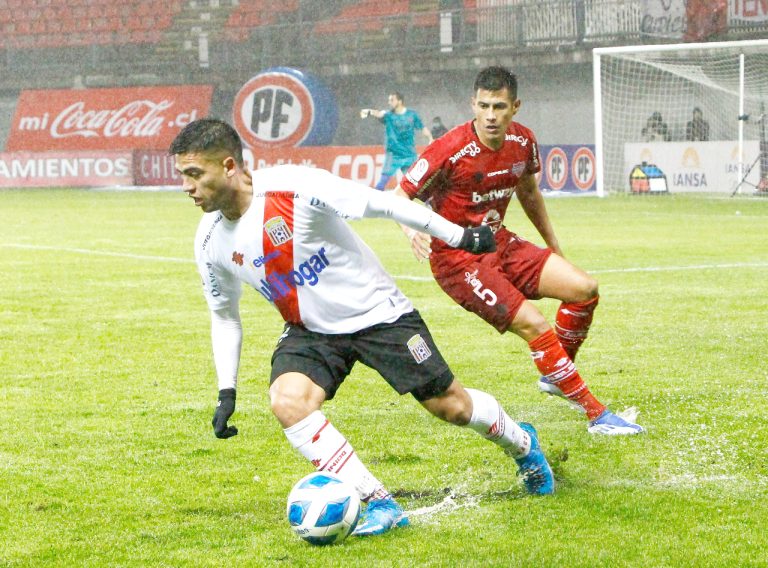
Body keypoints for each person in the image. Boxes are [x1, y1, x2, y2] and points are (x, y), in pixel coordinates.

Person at [169, 118, 555, 539]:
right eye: (183, 175)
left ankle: (522, 445)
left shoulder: (294, 187)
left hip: (377, 314)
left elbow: (384, 204)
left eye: (194, 174)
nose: (186, 186)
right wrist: (227, 391)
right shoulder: (209, 241)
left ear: (228, 166)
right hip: (311, 330)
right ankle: (379, 502)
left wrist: (459, 236)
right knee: (288, 402)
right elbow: (224, 314)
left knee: (453, 407)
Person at [394, 66, 644, 436]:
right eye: (483, 106)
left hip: (499, 242)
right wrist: (411, 228)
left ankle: (558, 375)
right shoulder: (450, 147)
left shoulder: (523, 142)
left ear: (515, 107)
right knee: (535, 325)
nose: (491, 116)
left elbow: (529, 193)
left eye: (499, 106)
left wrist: (554, 248)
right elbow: (400, 194)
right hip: (457, 259)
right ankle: (596, 415)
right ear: (473, 105)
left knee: (584, 289)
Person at [360, 91, 433, 190]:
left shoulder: (412, 115)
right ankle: (372, 202)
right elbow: (380, 114)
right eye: (389, 100)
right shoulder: (388, 115)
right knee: (383, 181)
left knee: (416, 183)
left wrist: (430, 139)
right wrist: (369, 112)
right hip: (393, 154)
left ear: (399, 101)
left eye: (392, 100)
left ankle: (427, 203)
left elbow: (422, 128)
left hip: (409, 154)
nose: (389, 102)